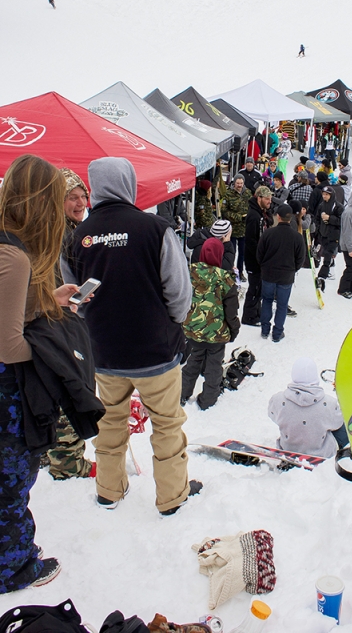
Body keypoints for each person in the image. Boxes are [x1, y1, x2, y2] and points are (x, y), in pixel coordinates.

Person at [64, 157, 200, 516]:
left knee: (109, 423)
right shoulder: (155, 228)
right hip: (156, 352)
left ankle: (109, 491)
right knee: (167, 425)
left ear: (94, 188)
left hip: (105, 354)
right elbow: (179, 291)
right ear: (128, 183)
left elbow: (71, 296)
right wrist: (170, 323)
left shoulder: (78, 238)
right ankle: (171, 497)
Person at [0, 155, 89, 591]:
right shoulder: (15, 256)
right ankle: (14, 568)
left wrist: (46, 302)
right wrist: (50, 343)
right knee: (10, 483)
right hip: (6, 397)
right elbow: (8, 343)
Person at [44, 168, 95, 481]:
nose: (80, 202)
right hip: (59, 326)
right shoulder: (62, 235)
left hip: (52, 322)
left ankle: (49, 452)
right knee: (68, 386)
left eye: (83, 196)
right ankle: (67, 462)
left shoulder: (63, 229)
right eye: (71, 197)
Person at [181, 239, 240, 410]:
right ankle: (208, 399)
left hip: (193, 329)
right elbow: (231, 311)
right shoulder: (225, 279)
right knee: (214, 366)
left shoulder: (189, 273)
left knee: (194, 360)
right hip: (217, 333)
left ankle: (182, 393)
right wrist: (233, 330)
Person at [268, 357, 348, 457]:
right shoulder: (329, 403)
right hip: (321, 453)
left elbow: (272, 415)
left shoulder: (278, 400)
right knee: (344, 426)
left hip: (288, 450)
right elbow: (337, 423)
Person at [257, 204, 305, 343]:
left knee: (266, 301)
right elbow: (300, 259)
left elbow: (259, 254)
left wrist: (264, 267)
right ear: (291, 218)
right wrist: (292, 270)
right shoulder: (297, 237)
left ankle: (265, 330)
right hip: (286, 276)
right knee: (282, 305)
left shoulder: (268, 233)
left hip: (268, 274)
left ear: (278, 217)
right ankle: (277, 333)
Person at [242, 186, 273, 326]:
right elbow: (250, 241)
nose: (269, 202)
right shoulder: (253, 216)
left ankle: (256, 313)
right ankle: (249, 317)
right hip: (254, 260)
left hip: (260, 259)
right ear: (259, 198)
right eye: (267, 199)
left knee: (259, 287)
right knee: (254, 288)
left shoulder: (262, 213)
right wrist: (259, 257)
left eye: (270, 199)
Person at [221, 175, 252, 281]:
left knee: (242, 253)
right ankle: (231, 272)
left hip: (244, 229)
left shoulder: (247, 193)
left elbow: (252, 206)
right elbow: (224, 211)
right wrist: (239, 217)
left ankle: (240, 271)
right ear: (234, 183)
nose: (239, 185)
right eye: (237, 183)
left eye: (241, 183)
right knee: (231, 252)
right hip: (232, 230)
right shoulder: (228, 194)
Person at [314, 186, 344, 292]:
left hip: (333, 236)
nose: (324, 196)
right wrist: (318, 229)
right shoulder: (321, 205)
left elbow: (341, 221)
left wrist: (329, 218)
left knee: (327, 256)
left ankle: (322, 277)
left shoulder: (338, 207)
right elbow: (317, 218)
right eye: (323, 194)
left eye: (326, 194)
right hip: (323, 235)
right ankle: (331, 271)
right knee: (326, 254)